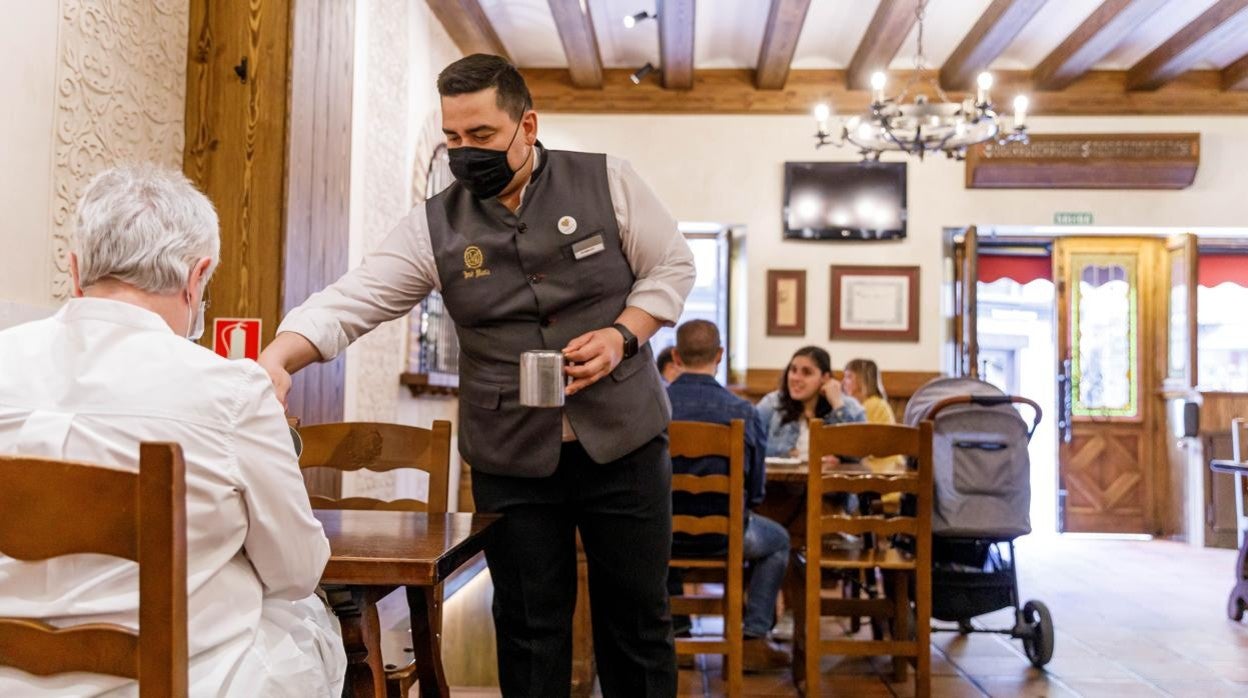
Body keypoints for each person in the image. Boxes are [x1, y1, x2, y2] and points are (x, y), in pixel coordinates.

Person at [257, 54, 695, 696]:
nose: (466, 153)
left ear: (527, 125)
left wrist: (624, 334)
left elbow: (673, 267)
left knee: (636, 624)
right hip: (510, 457)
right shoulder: (433, 225)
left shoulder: (609, 182)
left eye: (482, 136)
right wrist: (278, 357)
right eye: (453, 139)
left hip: (624, 442)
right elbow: (352, 301)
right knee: (526, 626)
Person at [0, 164, 345, 697]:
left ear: (74, 271)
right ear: (196, 276)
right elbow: (297, 571)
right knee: (299, 613)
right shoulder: (232, 390)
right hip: (182, 682)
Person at [665, 320, 790, 671]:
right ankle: (753, 636)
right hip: (726, 536)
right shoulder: (744, 412)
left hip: (663, 535)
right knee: (779, 541)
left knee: (660, 521)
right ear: (720, 355)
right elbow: (756, 492)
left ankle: (676, 631)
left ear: (675, 355)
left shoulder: (656, 406)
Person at [757, 346, 867, 460]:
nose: (796, 378)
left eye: (807, 372)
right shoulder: (771, 403)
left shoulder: (850, 406)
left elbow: (858, 454)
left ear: (825, 377)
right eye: (793, 370)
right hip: (779, 477)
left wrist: (837, 406)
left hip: (828, 477)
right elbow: (749, 446)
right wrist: (786, 452)